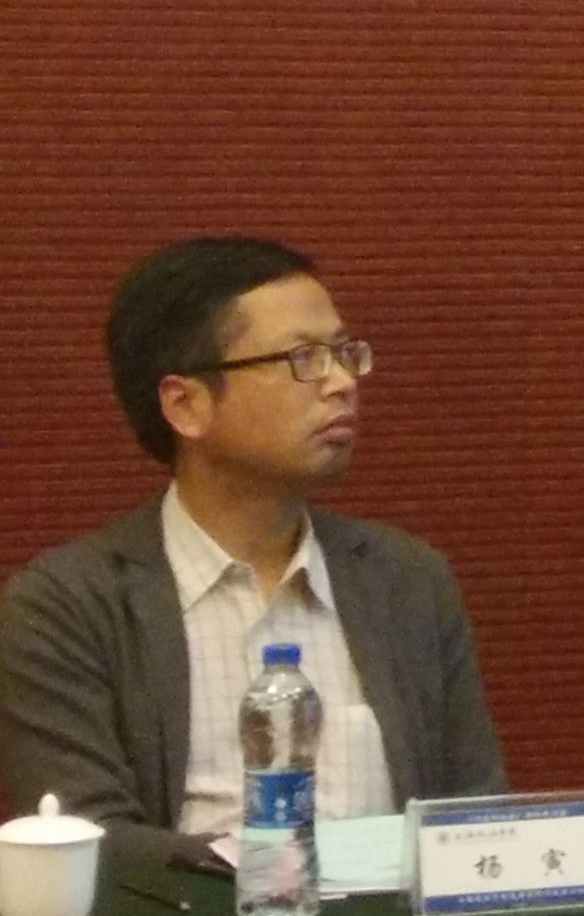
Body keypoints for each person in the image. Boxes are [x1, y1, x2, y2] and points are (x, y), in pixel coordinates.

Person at [0, 236, 506, 854]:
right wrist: (281, 874)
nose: (342, 382)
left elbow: (475, 823)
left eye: (345, 353)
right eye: (303, 358)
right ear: (186, 405)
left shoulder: (407, 581)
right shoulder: (69, 606)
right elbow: (87, 846)